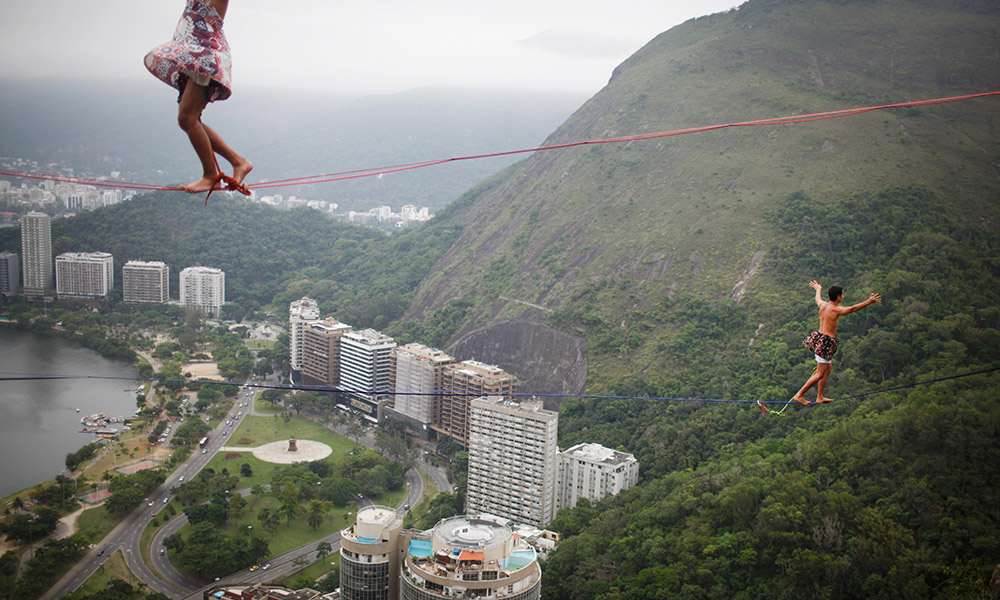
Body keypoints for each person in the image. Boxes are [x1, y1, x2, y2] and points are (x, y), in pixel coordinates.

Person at [144, 0, 252, 194]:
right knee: (187, 120)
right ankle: (238, 161)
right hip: (193, 55)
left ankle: (211, 175)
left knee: (187, 118)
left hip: (204, 56)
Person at [792, 280, 881, 405]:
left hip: (818, 339)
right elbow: (852, 309)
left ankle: (820, 396)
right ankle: (800, 395)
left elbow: (817, 298)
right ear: (838, 296)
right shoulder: (835, 310)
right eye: (842, 295)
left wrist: (818, 289)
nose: (843, 297)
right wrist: (869, 301)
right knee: (819, 374)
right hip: (825, 343)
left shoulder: (823, 305)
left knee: (828, 369)